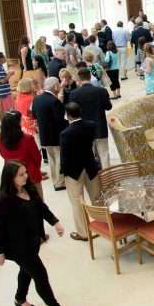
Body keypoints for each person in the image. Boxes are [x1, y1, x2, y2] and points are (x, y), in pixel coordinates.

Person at [0, 161, 73, 306]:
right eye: (21, 175)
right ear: (10, 178)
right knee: (40, 274)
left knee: (26, 270)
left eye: (25, 173)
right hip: (17, 246)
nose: (26, 176)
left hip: (33, 241)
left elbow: (42, 208)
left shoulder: (29, 189)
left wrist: (55, 222)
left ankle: (20, 299)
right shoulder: (2, 200)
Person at [59, 102, 100, 242]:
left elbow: (64, 156)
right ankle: (103, 225)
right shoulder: (91, 125)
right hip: (90, 166)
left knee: (77, 201)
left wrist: (63, 173)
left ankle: (83, 233)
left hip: (73, 171)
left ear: (68, 115)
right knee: (97, 198)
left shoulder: (65, 134)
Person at [69, 67, 112, 169]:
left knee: (88, 155)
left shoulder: (74, 94)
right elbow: (108, 106)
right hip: (100, 126)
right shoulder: (101, 91)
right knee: (104, 154)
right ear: (90, 76)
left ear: (79, 78)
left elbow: (73, 113)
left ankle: (92, 177)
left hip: (83, 128)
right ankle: (108, 177)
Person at [0, 112, 45, 198]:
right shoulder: (27, 138)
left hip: (11, 173)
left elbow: (2, 154)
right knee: (37, 199)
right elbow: (37, 157)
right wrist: (37, 168)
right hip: (30, 173)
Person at [33, 77, 67, 191]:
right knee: (58, 158)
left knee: (52, 159)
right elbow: (60, 119)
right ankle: (60, 182)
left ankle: (55, 180)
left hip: (44, 134)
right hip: (55, 135)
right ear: (55, 87)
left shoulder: (37, 99)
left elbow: (34, 115)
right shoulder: (54, 101)